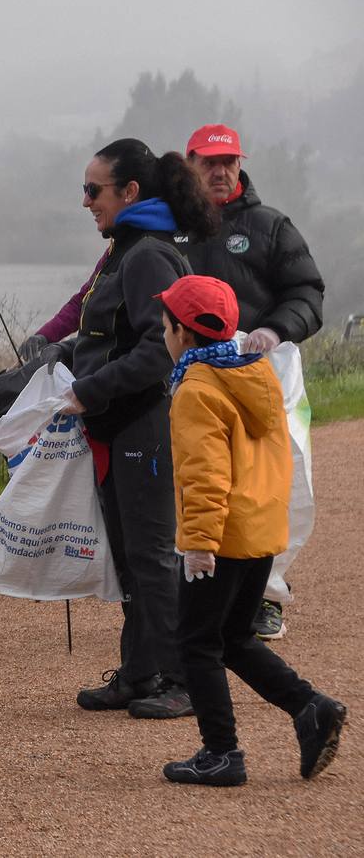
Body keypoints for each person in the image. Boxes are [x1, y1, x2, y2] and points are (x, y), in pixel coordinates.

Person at [155, 274, 346, 786]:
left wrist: (197, 543)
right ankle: (311, 707)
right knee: (235, 638)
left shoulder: (196, 388)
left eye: (166, 323)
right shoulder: (257, 373)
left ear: (184, 334)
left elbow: (204, 474)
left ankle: (222, 753)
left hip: (219, 539)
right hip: (259, 532)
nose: (163, 332)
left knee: (196, 642)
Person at [55, 138, 217, 720]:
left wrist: (87, 390)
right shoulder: (126, 250)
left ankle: (185, 679)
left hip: (145, 422)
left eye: (93, 190)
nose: (85, 201)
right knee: (128, 554)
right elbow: (107, 335)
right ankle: (140, 670)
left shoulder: (147, 253)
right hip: (117, 424)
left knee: (150, 556)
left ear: (129, 193)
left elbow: (160, 350)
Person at [183, 123, 326, 641]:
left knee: (270, 487)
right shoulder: (172, 227)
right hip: (191, 378)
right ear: (190, 164)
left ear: (240, 164)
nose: (220, 172)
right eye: (208, 163)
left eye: (229, 162)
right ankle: (194, 590)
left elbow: (308, 294)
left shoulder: (270, 226)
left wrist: (273, 329)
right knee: (202, 480)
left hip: (263, 378)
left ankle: (267, 596)